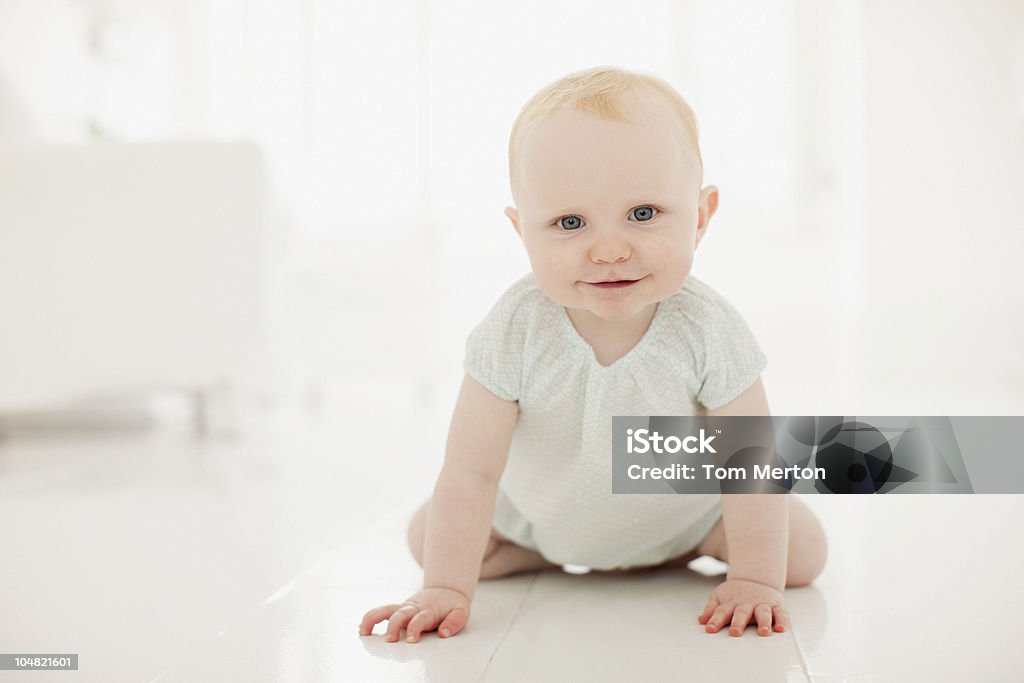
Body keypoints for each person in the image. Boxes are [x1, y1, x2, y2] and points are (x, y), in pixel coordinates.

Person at [359, 66, 827, 643]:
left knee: (802, 553)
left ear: (700, 217)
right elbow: (471, 470)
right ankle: (544, 559)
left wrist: (756, 580)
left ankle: (675, 555)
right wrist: (445, 589)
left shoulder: (709, 329)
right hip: (536, 522)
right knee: (426, 533)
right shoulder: (514, 330)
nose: (609, 249)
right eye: (570, 222)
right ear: (522, 232)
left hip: (686, 522)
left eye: (643, 214)